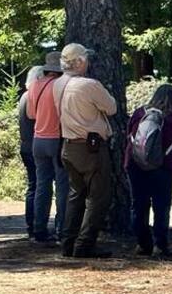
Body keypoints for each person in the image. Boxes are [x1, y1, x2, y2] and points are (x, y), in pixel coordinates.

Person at [53, 43, 118, 259]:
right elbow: (112, 108)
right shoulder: (89, 85)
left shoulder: (57, 85)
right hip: (90, 149)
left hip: (68, 146)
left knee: (76, 195)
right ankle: (84, 244)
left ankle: (68, 242)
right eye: (85, 59)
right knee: (98, 197)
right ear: (80, 62)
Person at [126, 84, 172, 258]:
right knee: (161, 206)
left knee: (138, 205)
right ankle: (160, 245)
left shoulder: (140, 113)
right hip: (163, 166)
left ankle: (142, 243)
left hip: (135, 164)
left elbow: (129, 135)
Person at [27, 51, 68, 244]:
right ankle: (62, 229)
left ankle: (39, 229)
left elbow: (31, 114)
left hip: (38, 139)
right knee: (62, 185)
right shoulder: (60, 85)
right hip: (56, 139)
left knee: (42, 185)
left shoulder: (35, 85)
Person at [17, 66, 44, 239]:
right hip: (35, 146)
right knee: (39, 185)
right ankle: (36, 225)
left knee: (33, 185)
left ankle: (31, 225)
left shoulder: (24, 97)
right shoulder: (33, 97)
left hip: (26, 146)